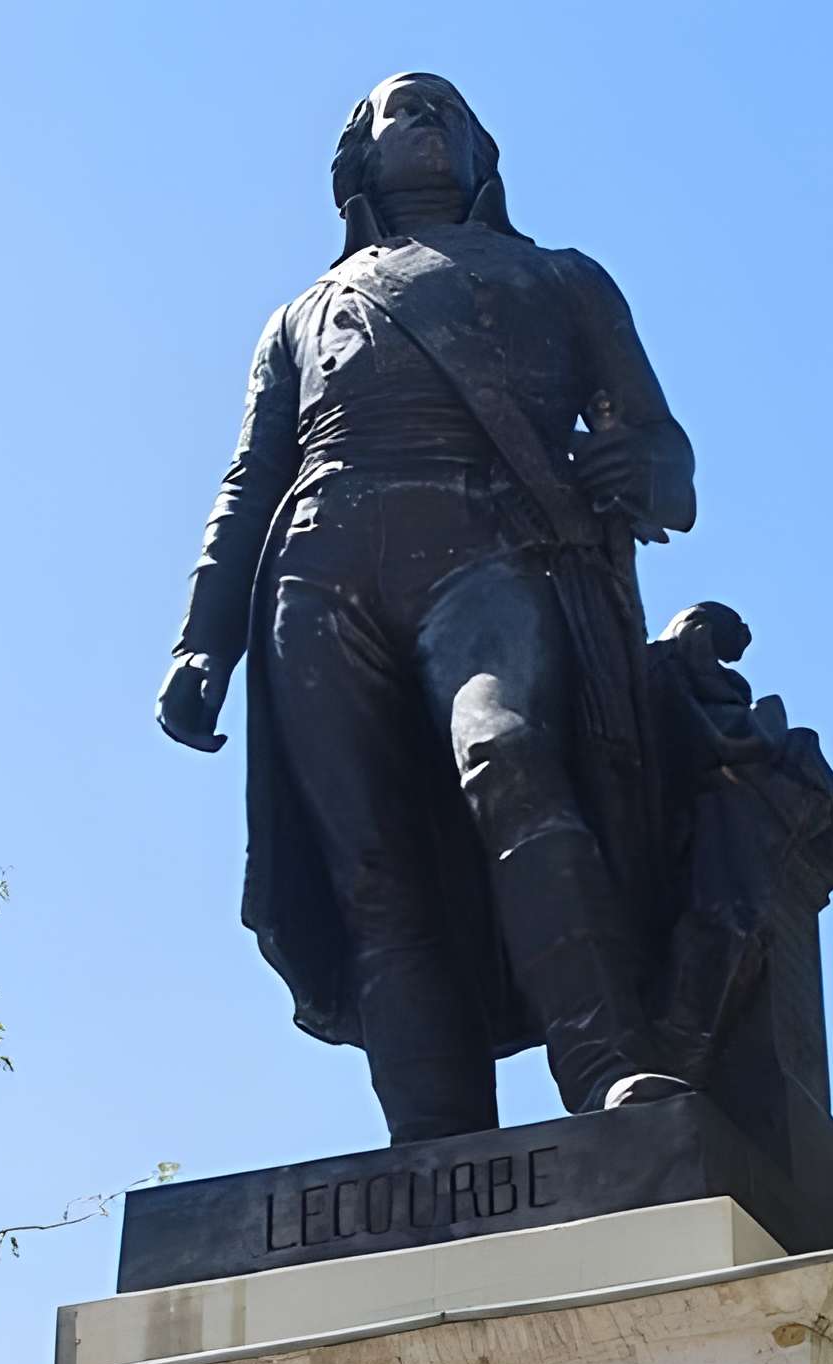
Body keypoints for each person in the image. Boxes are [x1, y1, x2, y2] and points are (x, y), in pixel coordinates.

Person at [157, 72, 696, 1144]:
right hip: (316, 570)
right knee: (371, 864)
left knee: (506, 753)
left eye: (445, 109)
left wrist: (638, 469)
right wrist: (202, 640)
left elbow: (666, 457)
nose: (425, 123)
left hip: (488, 550)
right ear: (358, 154)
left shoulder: (563, 278)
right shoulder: (303, 314)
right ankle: (434, 1141)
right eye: (401, 110)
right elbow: (251, 480)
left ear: (483, 150)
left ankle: (608, 1067)